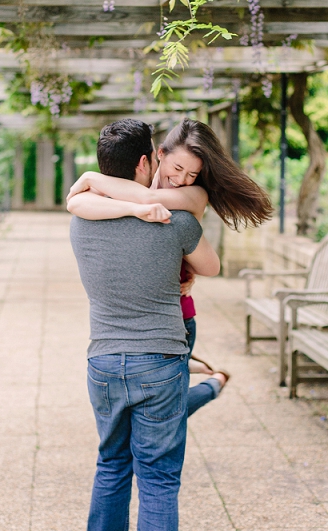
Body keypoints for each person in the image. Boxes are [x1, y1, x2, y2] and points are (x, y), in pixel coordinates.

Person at [69, 119, 221, 530]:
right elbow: (211, 266)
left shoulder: (81, 221)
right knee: (157, 478)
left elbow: (79, 199)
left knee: (112, 466)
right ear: (146, 160)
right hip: (159, 360)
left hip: (102, 363)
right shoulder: (175, 220)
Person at [67, 118, 273, 415]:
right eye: (177, 169)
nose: (181, 179)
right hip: (141, 323)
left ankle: (211, 383)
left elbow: (150, 200)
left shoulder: (195, 194)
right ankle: (197, 374)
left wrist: (92, 179)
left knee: (169, 412)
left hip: (175, 319)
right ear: (158, 155)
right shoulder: (132, 189)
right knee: (162, 408)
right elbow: (76, 206)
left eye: (192, 174)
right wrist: (132, 207)